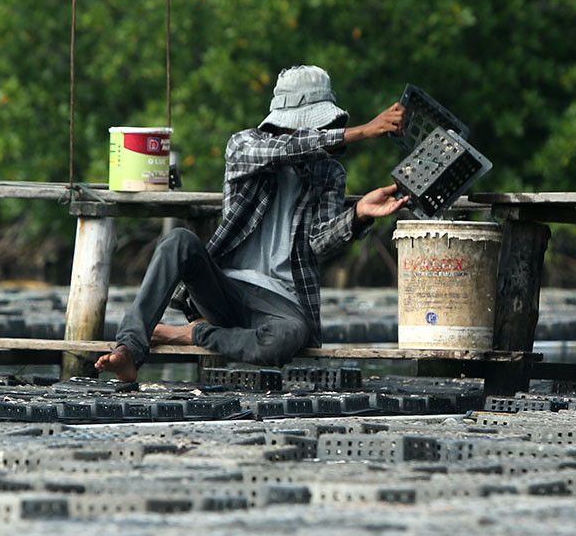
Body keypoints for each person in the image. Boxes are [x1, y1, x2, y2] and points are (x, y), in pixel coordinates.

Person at [95, 65, 408, 382]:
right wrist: (363, 132)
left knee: (289, 336)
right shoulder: (245, 146)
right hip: (226, 288)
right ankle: (129, 349)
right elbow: (286, 150)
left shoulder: (330, 173)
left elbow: (319, 242)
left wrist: (359, 214)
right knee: (178, 241)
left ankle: (194, 334)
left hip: (281, 303)